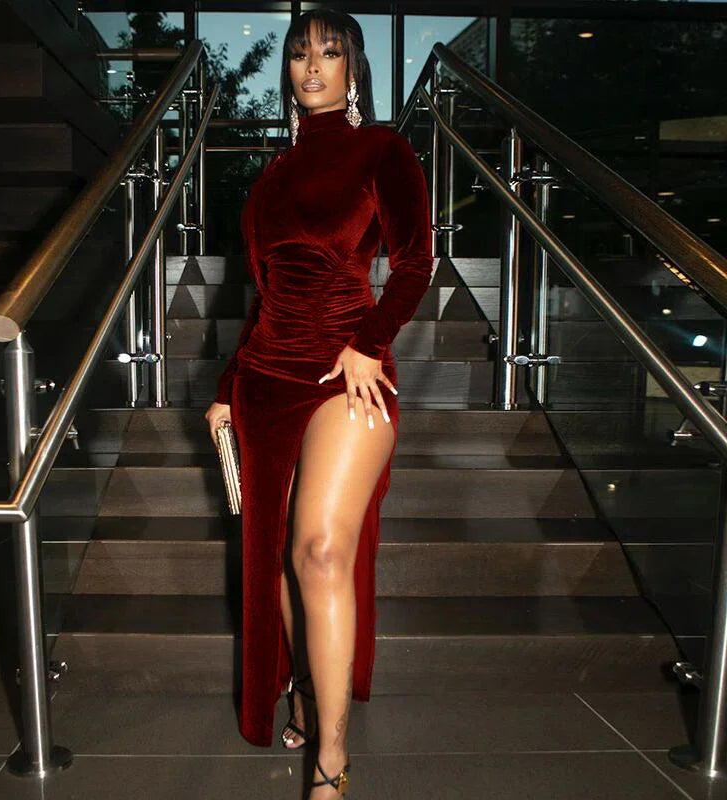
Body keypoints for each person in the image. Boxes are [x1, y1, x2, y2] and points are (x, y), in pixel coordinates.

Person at [204, 9, 433, 797]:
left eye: (330, 54)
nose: (312, 67)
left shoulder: (384, 150)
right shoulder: (269, 175)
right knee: (278, 562)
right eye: (300, 55)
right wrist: (227, 388)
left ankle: (330, 761)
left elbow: (414, 265)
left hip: (348, 369)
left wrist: (369, 341)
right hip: (265, 374)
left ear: (354, 70)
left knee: (321, 552)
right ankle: (304, 686)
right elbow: (264, 295)